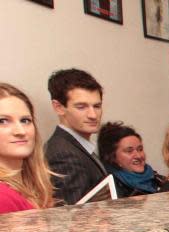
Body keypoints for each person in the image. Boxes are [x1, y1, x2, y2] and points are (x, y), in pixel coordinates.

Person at [44, 68, 106, 204]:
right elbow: (72, 218)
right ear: (58, 107)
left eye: (97, 106)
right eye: (81, 107)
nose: (93, 115)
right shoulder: (64, 155)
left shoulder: (76, 146)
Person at [0, 83, 55, 213]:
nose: (20, 131)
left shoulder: (32, 185)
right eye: (2, 121)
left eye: (25, 121)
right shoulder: (3, 197)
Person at [97, 122, 165, 197]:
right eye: (129, 151)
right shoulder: (110, 191)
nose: (138, 156)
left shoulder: (158, 179)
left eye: (140, 149)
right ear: (112, 157)